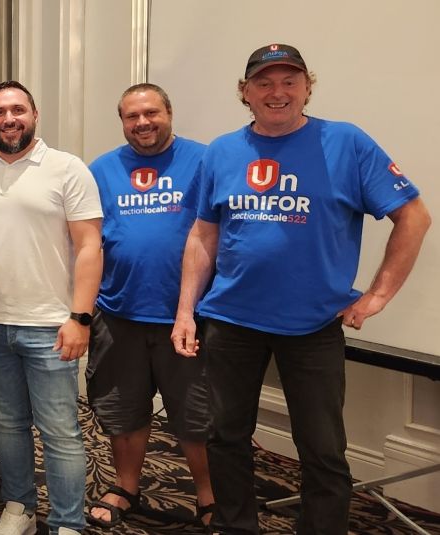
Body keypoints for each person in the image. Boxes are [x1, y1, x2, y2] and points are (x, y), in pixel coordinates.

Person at [170, 44, 431, 534]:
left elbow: (413, 216)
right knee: (225, 437)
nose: (278, 92)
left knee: (323, 449)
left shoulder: (347, 143)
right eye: (264, 82)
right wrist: (186, 311)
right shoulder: (222, 151)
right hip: (230, 322)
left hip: (313, 326)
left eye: (289, 80)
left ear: (308, 87)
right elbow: (204, 235)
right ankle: (236, 525)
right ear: (245, 93)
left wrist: (377, 296)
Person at [0, 81, 103, 535]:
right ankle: (18, 507)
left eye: (17, 109)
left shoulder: (67, 168)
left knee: (60, 431)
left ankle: (67, 522)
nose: (9, 119)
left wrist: (81, 317)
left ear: (34, 115)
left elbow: (90, 246)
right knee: (9, 426)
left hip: (52, 324)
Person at [85, 83, 215, 529]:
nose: (142, 123)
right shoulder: (101, 169)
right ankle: (127, 486)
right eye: (131, 116)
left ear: (169, 112)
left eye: (151, 113)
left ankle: (208, 496)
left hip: (189, 316)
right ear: (121, 120)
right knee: (122, 410)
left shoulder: (204, 160)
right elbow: (87, 242)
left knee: (197, 415)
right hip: (118, 313)